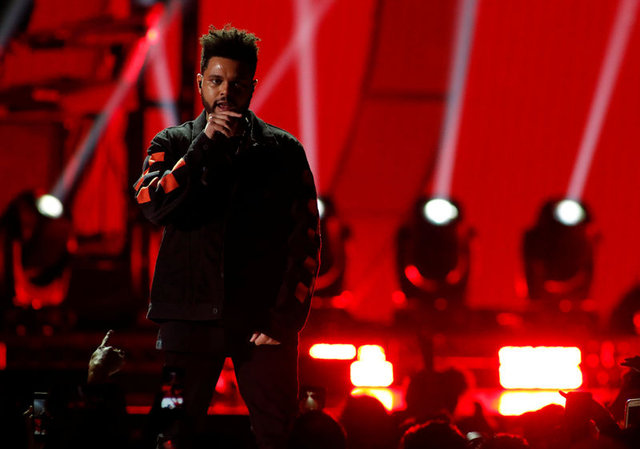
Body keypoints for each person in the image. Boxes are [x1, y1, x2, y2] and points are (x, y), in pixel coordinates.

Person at [133, 25, 321, 449]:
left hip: (261, 322)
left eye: (236, 84)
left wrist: (284, 320)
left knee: (279, 435)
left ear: (251, 87)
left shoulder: (283, 151)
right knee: (171, 432)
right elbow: (152, 204)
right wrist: (203, 147)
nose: (225, 93)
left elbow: (306, 240)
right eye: (216, 81)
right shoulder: (173, 143)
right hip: (187, 322)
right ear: (201, 81)